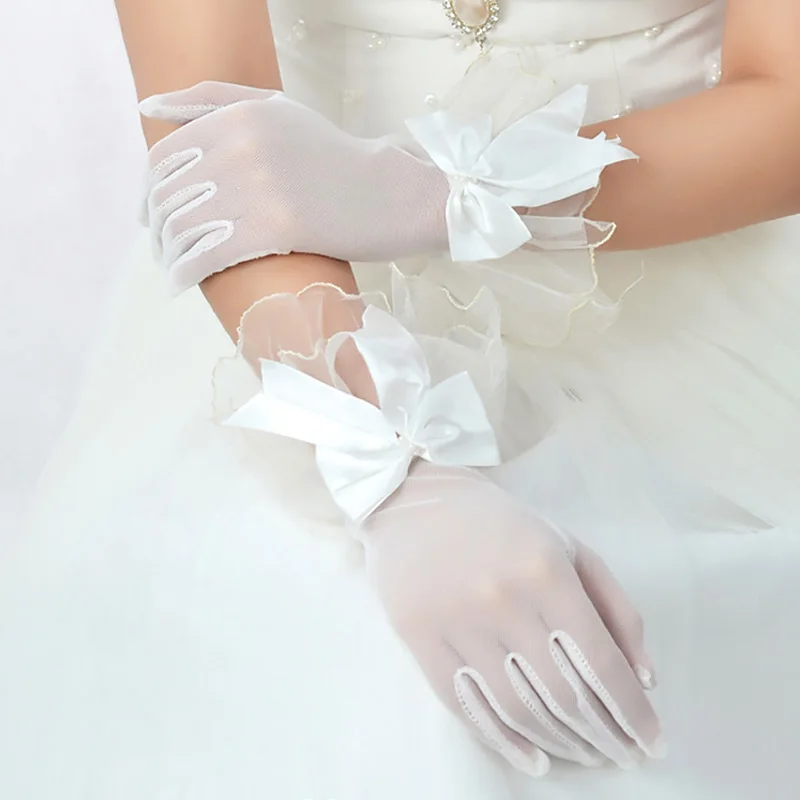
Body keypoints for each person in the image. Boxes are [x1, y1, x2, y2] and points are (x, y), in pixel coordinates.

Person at [2, 0, 800, 797]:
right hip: (283, 287)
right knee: (283, 617)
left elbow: (787, 98)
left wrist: (433, 189)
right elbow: (215, 145)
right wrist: (385, 459)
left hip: (687, 278)